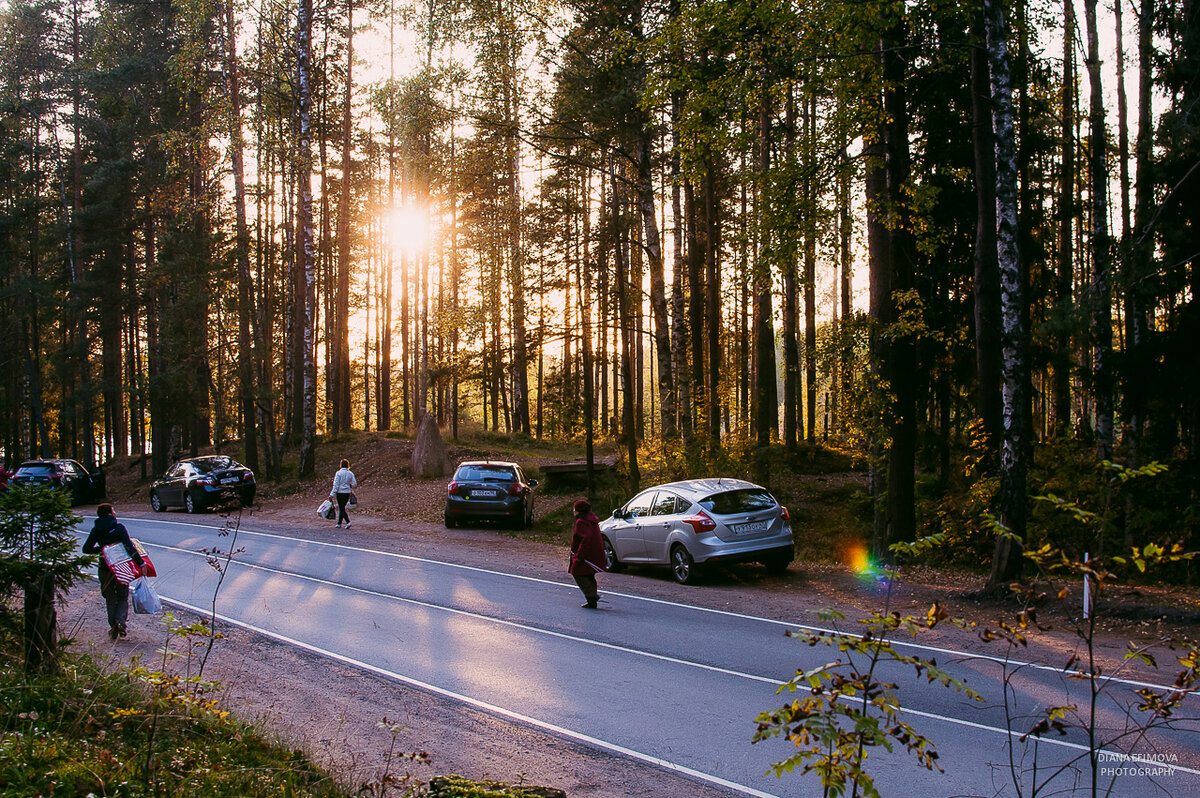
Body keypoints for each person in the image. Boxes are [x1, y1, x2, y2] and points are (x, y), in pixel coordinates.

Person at [81, 504, 145, 640]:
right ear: (110, 514)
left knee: (110, 598)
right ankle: (120, 622)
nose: (115, 512)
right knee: (122, 595)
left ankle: (113, 625)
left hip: (104, 568)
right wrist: (141, 563)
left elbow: (86, 548)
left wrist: (102, 549)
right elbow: (129, 546)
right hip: (121, 568)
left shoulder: (96, 530)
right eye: (113, 510)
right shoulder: (119, 528)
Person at [569, 498, 607, 609]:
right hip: (595, 552)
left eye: (574, 509)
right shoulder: (591, 520)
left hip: (586, 554)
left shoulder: (582, 522)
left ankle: (591, 596)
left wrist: (579, 555)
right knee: (589, 574)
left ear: (578, 511)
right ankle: (591, 600)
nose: (573, 511)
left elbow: (586, 539)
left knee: (577, 572)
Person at [329, 458, 358, 528]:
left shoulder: (338, 473)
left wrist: (331, 495)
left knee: (341, 508)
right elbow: (354, 484)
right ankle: (339, 523)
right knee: (342, 507)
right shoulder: (350, 473)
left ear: (341, 465)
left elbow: (335, 485)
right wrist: (349, 485)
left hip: (340, 492)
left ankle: (348, 522)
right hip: (347, 492)